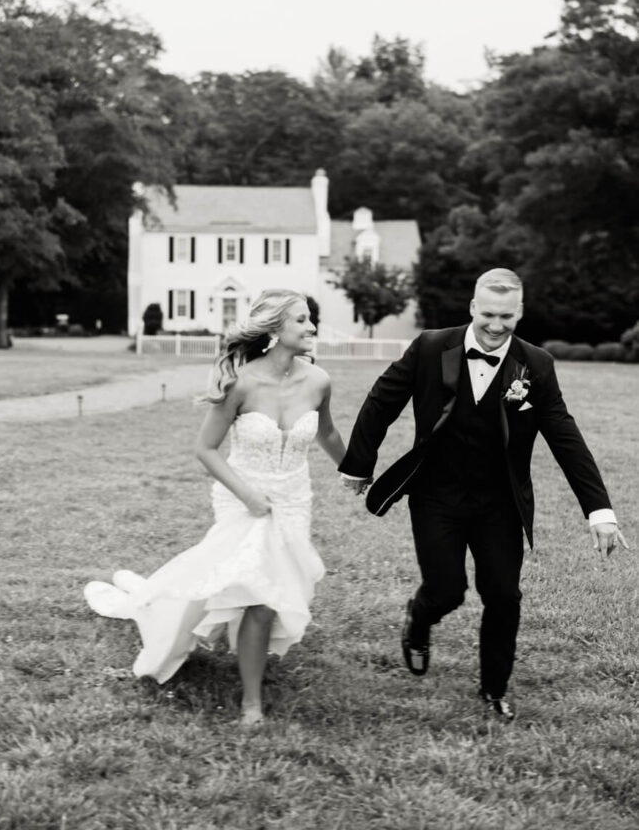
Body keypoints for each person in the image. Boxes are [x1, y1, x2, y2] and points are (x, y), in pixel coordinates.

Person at [339, 268, 628, 721]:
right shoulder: (432, 347)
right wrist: (359, 463)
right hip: (436, 495)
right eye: (488, 314)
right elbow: (382, 400)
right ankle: (419, 617)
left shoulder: (536, 365)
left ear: (520, 313)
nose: (496, 325)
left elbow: (564, 437)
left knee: (503, 596)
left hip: (499, 503)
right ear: (473, 308)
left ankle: (494, 688)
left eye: (507, 316)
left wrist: (599, 511)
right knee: (447, 590)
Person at [85, 289, 346, 727]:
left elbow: (330, 435)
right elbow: (205, 449)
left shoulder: (318, 381)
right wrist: (247, 495)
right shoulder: (242, 383)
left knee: (270, 592)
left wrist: (358, 472)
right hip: (243, 496)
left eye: (310, 319)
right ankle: (251, 704)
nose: (311, 327)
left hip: (293, 498)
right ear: (275, 329)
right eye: (301, 320)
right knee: (259, 597)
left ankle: (233, 651)